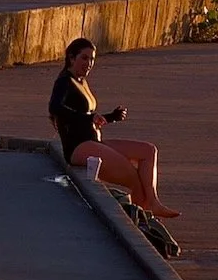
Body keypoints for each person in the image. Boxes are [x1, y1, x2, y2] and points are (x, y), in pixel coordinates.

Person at [49, 38, 177, 218]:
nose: (89, 64)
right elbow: (55, 108)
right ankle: (142, 220)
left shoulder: (81, 81)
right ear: (71, 58)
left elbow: (86, 117)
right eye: (84, 58)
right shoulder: (65, 82)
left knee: (148, 151)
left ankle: (152, 202)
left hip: (94, 141)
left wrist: (111, 117)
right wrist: (89, 117)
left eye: (92, 59)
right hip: (78, 147)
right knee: (134, 177)